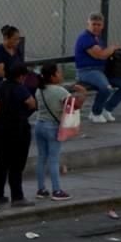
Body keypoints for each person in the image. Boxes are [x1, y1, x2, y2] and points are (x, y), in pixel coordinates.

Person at [35, 63, 85, 201]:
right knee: (53, 159)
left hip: (39, 125)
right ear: (52, 76)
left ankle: (41, 189)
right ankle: (56, 190)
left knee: (41, 158)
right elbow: (76, 106)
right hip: (52, 127)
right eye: (59, 73)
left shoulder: (39, 90)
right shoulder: (60, 91)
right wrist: (82, 93)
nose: (61, 75)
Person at [0, 63, 37, 207]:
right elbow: (31, 103)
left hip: (0, 129)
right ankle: (17, 196)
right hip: (18, 129)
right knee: (17, 164)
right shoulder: (20, 89)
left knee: (1, 162)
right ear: (21, 76)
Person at [74, 13, 121, 122]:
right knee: (106, 88)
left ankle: (107, 109)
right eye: (93, 24)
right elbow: (100, 55)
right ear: (88, 24)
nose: (96, 27)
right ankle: (95, 113)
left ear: (102, 26)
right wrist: (113, 47)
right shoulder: (85, 38)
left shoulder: (97, 38)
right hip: (87, 71)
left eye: (99, 24)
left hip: (102, 71)